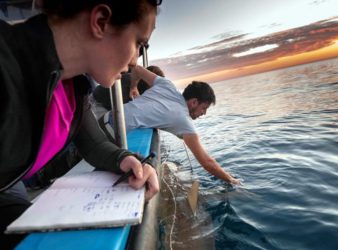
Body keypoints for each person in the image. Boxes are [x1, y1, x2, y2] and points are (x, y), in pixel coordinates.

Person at [0, 0, 162, 248]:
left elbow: (93, 144)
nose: (134, 62)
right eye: (138, 43)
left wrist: (127, 160)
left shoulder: (75, 87)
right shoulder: (6, 65)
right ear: (100, 22)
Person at [94, 65, 241, 185]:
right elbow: (207, 162)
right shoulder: (185, 121)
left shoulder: (167, 84)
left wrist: (134, 87)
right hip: (111, 135)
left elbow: (137, 69)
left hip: (103, 119)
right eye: (204, 108)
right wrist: (231, 180)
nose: (204, 113)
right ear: (194, 102)